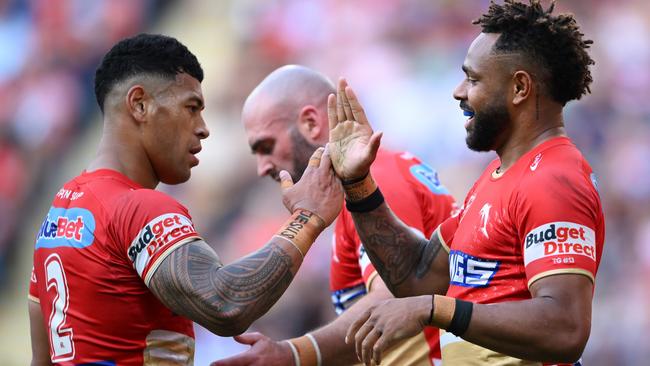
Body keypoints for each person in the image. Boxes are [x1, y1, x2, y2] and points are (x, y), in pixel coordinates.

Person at [28, 34, 342, 365]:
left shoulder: (58, 215)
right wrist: (307, 218)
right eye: (191, 108)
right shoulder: (139, 208)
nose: (203, 128)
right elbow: (224, 303)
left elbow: (41, 359)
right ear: (139, 104)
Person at [326, 1, 604, 365]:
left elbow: (564, 328)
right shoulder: (494, 180)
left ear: (520, 87)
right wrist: (359, 185)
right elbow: (417, 278)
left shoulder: (554, 179)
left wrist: (437, 309)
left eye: (473, 79)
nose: (459, 92)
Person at [212, 65, 456, 366]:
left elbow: (396, 298)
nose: (262, 167)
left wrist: (295, 354)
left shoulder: (374, 180)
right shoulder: (360, 186)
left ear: (311, 124)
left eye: (266, 146)